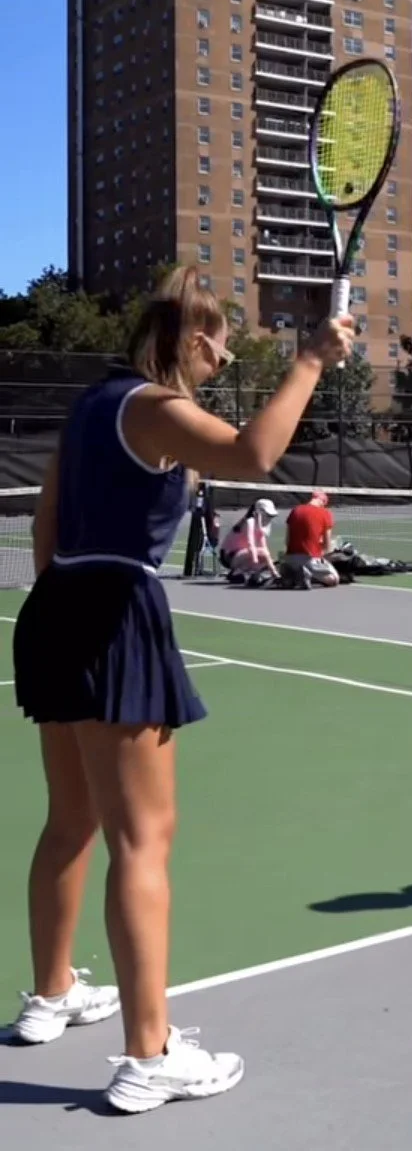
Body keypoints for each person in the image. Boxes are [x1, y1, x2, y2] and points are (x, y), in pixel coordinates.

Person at [10, 266, 353, 1111]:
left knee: (72, 821)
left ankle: (51, 994)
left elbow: (45, 519)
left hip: (56, 609)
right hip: (113, 610)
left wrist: (64, 607)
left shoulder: (92, 406)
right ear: (194, 341)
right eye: (222, 343)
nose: (226, 356)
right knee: (143, 841)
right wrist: (310, 358)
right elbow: (253, 454)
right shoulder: (156, 410)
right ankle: (148, 1052)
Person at [282, 489, 339, 587]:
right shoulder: (325, 513)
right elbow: (327, 546)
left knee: (296, 564)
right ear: (323, 502)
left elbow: (287, 541)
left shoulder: (295, 510)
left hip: (290, 557)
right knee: (334, 579)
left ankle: (294, 574)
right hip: (310, 559)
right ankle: (308, 575)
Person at [218, 497, 278, 581]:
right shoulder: (249, 522)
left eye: (271, 516)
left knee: (266, 557)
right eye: (268, 515)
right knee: (262, 553)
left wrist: (268, 561)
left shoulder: (263, 526)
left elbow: (263, 544)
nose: (269, 518)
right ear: (259, 513)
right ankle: (264, 573)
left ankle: (237, 573)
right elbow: (251, 543)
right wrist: (255, 563)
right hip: (230, 556)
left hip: (244, 553)